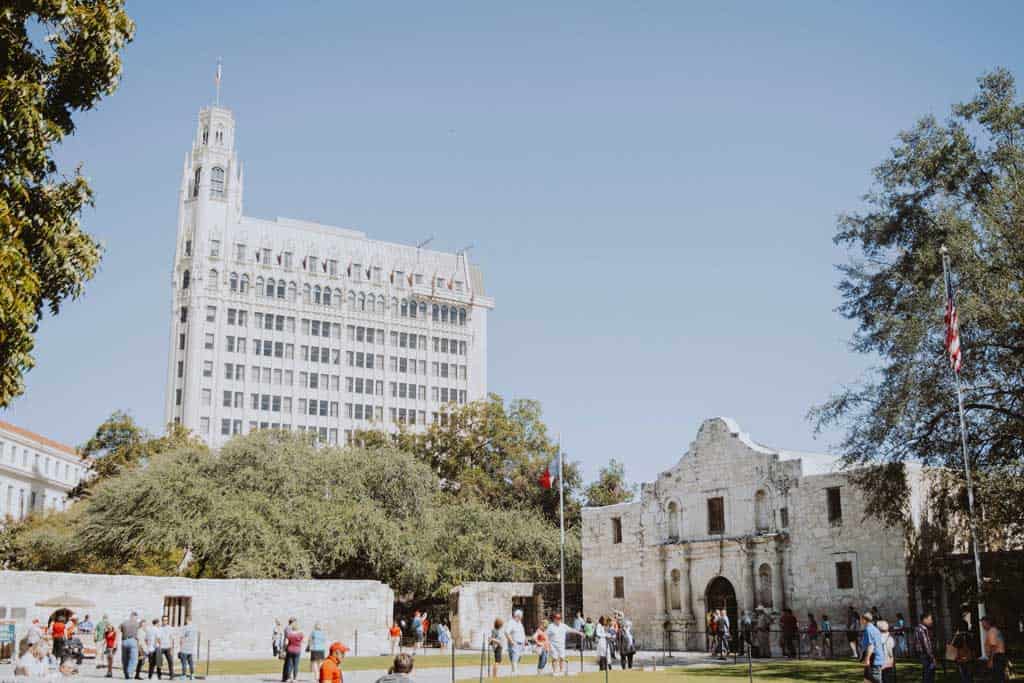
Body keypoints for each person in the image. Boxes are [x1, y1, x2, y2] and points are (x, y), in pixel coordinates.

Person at [858, 612, 885, 683]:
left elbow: (871, 646)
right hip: (874, 658)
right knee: (867, 679)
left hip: (874, 660)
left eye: (860, 619)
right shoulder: (875, 629)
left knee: (875, 680)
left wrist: (867, 659)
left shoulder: (868, 630)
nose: (859, 621)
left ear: (864, 620)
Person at [980, 616, 1007, 683]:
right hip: (999, 656)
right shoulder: (995, 630)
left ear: (988, 623)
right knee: (1000, 677)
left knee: (997, 678)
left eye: (983, 624)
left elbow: (993, 646)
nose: (982, 626)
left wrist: (991, 660)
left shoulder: (992, 631)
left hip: (996, 657)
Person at [951, 610, 975, 683]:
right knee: (969, 675)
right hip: (969, 658)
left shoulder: (957, 637)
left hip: (960, 658)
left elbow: (952, 647)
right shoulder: (969, 636)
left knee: (963, 675)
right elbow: (973, 647)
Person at [914, 613, 937, 683]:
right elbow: (926, 645)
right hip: (926, 656)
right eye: (930, 619)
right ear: (924, 619)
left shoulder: (921, 629)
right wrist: (932, 657)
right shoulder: (922, 629)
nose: (931, 621)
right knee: (928, 675)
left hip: (925, 655)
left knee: (928, 674)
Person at [120, 612, 141, 681]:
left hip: (124, 641)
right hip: (133, 641)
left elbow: (120, 630)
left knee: (125, 659)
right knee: (134, 659)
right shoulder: (137, 624)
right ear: (135, 617)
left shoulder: (124, 622)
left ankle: (126, 673)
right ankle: (129, 672)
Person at [505, 609, 527, 675]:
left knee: (518, 657)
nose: (521, 617)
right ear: (517, 616)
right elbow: (506, 632)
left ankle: (514, 670)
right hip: (515, 643)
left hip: (521, 643)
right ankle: (514, 671)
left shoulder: (519, 623)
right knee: (514, 658)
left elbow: (522, 632)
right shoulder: (511, 622)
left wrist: (525, 639)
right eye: (521, 616)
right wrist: (511, 641)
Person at [178, 616, 197, 681]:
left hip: (184, 648)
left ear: (187, 620)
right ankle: (192, 675)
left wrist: (180, 648)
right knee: (191, 663)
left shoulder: (185, 628)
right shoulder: (194, 628)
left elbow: (181, 638)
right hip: (191, 648)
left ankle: (184, 676)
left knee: (184, 663)